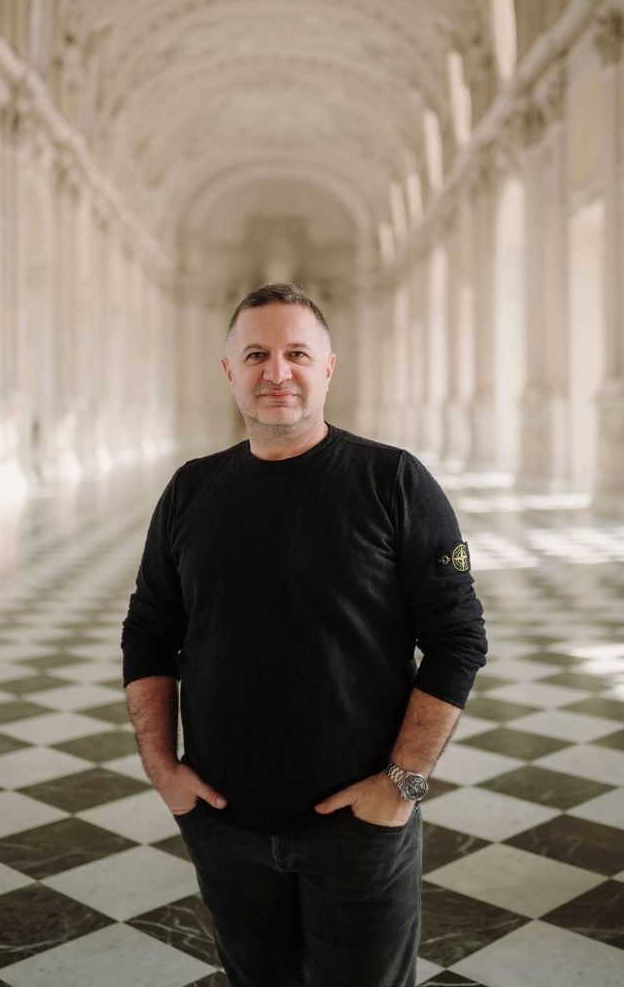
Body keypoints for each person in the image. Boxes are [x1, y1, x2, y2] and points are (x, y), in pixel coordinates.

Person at [122, 283, 487, 987]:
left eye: (296, 353)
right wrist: (162, 768)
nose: (276, 372)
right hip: (222, 821)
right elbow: (148, 630)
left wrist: (401, 785)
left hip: (359, 823)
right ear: (229, 371)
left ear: (328, 368)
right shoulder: (191, 489)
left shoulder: (393, 480)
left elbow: (458, 637)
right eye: (255, 355)